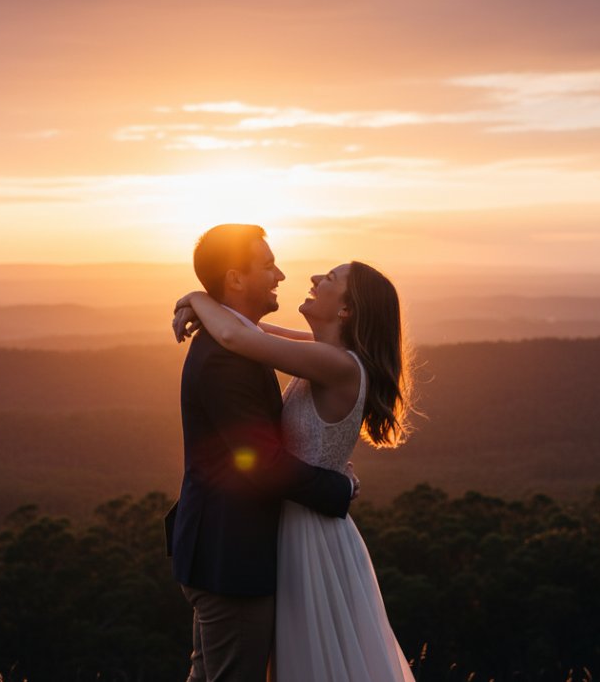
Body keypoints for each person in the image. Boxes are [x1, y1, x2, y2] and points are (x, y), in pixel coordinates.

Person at [173, 245, 417, 682]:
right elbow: (258, 330)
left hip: (305, 532)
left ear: (346, 310)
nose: (310, 278)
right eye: (268, 266)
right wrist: (203, 300)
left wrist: (199, 298)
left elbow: (241, 337)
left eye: (329, 279)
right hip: (272, 534)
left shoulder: (336, 363)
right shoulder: (327, 351)